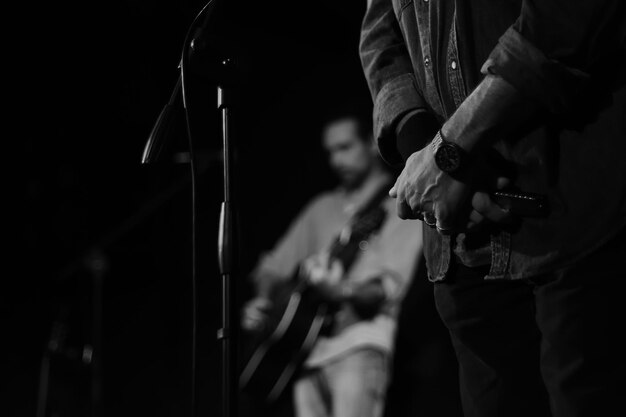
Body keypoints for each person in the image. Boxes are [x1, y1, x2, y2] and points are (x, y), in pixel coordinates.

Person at [359, 2, 626, 417]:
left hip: (572, 217)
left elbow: (569, 21)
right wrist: (429, 153)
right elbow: (381, 40)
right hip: (464, 244)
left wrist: (452, 153)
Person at [239, 106, 423, 417]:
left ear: (370, 143)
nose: (336, 160)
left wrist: (340, 292)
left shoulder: (400, 205)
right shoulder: (321, 207)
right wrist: (263, 299)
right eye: (330, 152)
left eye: (345, 147)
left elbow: (388, 290)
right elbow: (272, 267)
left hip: (360, 346)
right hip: (303, 353)